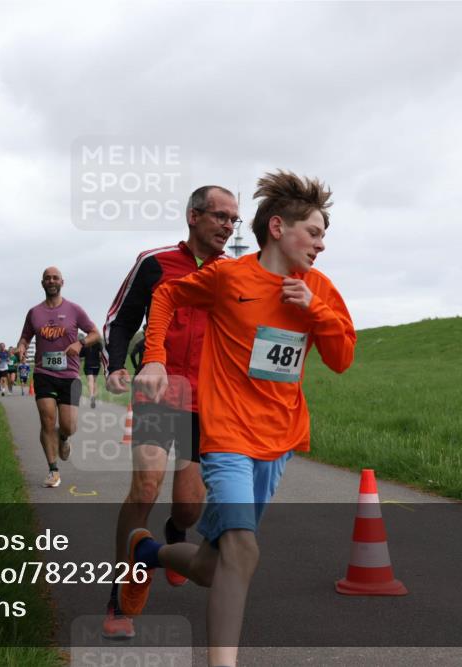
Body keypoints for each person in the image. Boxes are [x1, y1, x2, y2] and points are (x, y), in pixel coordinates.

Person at [123, 171, 355, 667]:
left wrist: (317, 312)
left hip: (279, 440)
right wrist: (155, 356)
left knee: (213, 563)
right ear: (277, 227)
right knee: (244, 551)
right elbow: (167, 296)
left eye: (323, 236)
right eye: (313, 233)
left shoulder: (320, 289)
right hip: (226, 436)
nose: (321, 246)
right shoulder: (230, 278)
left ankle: (148, 552)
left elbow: (341, 358)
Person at [99, 184, 237, 639]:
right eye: (220, 216)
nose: (228, 226)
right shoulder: (155, 262)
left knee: (190, 505)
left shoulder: (235, 273)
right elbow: (121, 319)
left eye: (234, 220)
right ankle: (124, 590)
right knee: (145, 485)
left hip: (209, 399)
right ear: (193, 216)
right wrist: (117, 365)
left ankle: (174, 538)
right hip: (160, 391)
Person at [15, 266, 99, 488]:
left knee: (69, 425)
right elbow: (24, 338)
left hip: (69, 374)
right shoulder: (34, 313)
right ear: (42, 283)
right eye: (47, 278)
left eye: (55, 278)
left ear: (62, 282)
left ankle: (63, 439)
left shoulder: (74, 310)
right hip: (44, 373)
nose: (51, 281)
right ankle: (53, 470)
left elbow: (95, 334)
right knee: (47, 421)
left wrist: (80, 343)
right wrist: (21, 347)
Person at [81, 336, 103, 409]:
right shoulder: (98, 344)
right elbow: (101, 355)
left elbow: (81, 354)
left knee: (90, 380)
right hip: (96, 365)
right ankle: (94, 396)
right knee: (94, 381)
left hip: (88, 365)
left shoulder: (85, 344)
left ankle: (91, 395)